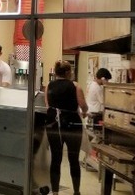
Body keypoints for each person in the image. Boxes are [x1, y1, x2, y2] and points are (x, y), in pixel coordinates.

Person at [44, 60, 88, 195]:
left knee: (56, 158)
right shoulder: (75, 86)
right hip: (72, 124)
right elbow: (83, 106)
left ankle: (55, 192)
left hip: (53, 124)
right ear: (68, 72)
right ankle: (76, 191)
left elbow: (48, 106)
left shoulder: (49, 86)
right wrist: (84, 112)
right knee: (73, 158)